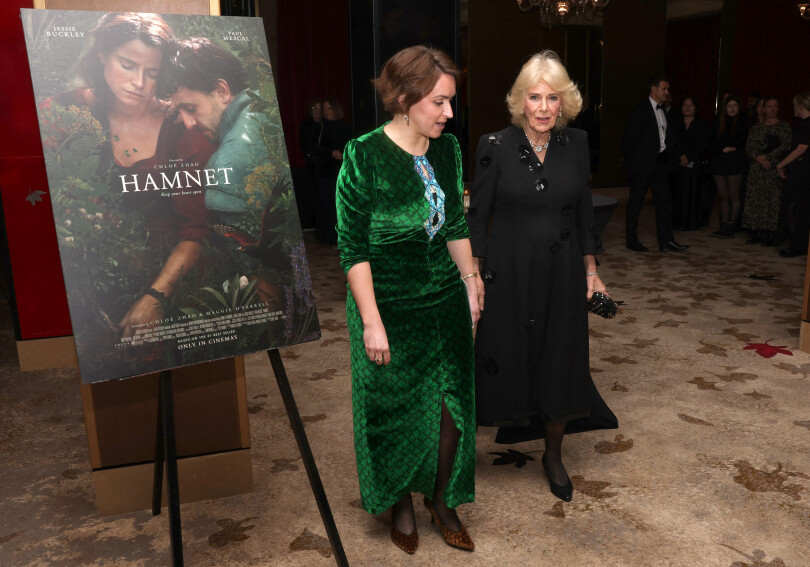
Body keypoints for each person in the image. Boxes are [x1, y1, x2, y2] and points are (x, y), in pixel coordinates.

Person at [336, 46, 480, 554]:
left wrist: (471, 278)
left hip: (443, 296)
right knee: (394, 409)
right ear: (404, 99)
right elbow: (352, 248)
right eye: (439, 102)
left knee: (451, 406)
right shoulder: (364, 155)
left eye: (451, 102)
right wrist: (371, 322)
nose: (449, 113)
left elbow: (456, 224)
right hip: (388, 303)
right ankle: (400, 502)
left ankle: (441, 501)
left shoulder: (448, 150)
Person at [468, 50, 618, 504]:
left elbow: (584, 210)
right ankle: (461, 454)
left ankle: (554, 455)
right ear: (520, 100)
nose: (543, 108)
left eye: (552, 98)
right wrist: (472, 275)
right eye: (534, 97)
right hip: (506, 272)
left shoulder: (576, 143)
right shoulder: (493, 146)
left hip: (562, 271)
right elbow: (477, 217)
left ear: (564, 102)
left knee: (560, 358)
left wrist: (591, 271)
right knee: (499, 354)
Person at [41, 13, 215, 343]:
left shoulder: (184, 132)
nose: (139, 82)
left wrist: (156, 298)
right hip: (87, 280)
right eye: (127, 64)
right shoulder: (65, 111)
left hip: (168, 276)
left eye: (152, 73)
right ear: (103, 54)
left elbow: (198, 229)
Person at [622, 77, 689, 252]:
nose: (667, 92)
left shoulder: (664, 111)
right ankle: (631, 240)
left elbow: (667, 137)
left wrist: (677, 154)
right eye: (664, 89)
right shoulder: (640, 111)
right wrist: (631, 166)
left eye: (668, 89)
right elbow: (629, 140)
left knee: (664, 202)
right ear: (654, 89)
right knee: (636, 204)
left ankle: (666, 241)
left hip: (660, 165)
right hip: (642, 166)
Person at [741, 96, 791, 245]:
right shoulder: (756, 128)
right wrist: (760, 159)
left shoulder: (784, 126)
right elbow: (749, 147)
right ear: (763, 108)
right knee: (755, 200)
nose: (772, 109)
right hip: (757, 169)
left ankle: (770, 233)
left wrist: (767, 158)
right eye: (769, 106)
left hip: (775, 167)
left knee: (772, 200)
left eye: (775, 106)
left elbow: (786, 146)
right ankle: (755, 232)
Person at [708, 95, 748, 238]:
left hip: (735, 163)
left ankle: (731, 226)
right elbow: (712, 142)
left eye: (735, 105)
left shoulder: (743, 123)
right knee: (723, 195)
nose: (732, 108)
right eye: (729, 105)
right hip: (719, 162)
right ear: (725, 107)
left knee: (733, 195)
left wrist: (731, 147)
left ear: (739, 107)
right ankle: (723, 225)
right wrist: (723, 148)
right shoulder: (718, 121)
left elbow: (742, 143)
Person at [776, 92, 810, 257]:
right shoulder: (803, 124)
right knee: (798, 209)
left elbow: (801, 149)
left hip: (803, 174)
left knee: (797, 209)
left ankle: (798, 245)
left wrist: (781, 164)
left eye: (795, 105)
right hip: (801, 172)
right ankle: (798, 244)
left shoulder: (806, 125)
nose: (793, 108)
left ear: (802, 106)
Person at [671, 96, 710, 230]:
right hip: (678, 164)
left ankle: (691, 222)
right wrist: (680, 157)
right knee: (678, 193)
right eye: (685, 105)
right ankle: (677, 222)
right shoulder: (675, 123)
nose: (687, 108)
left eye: (691, 105)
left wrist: (689, 157)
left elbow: (703, 144)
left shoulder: (701, 124)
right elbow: (672, 142)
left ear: (696, 108)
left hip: (695, 164)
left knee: (693, 193)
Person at [316, 97, 351, 245]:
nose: (326, 112)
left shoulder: (345, 127)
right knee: (327, 204)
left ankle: (342, 237)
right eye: (324, 109)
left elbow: (351, 145)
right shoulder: (321, 127)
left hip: (341, 170)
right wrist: (331, 153)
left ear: (335, 110)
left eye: (329, 108)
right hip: (326, 170)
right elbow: (315, 147)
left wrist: (344, 154)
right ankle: (328, 237)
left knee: (341, 204)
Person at [299, 98, 325, 229]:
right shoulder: (306, 126)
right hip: (311, 166)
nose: (317, 111)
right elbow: (305, 146)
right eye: (314, 108)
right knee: (312, 195)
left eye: (319, 108)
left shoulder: (325, 125)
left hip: (325, 166)